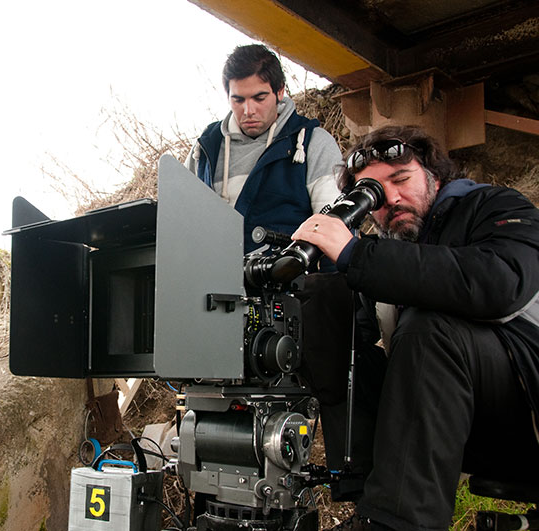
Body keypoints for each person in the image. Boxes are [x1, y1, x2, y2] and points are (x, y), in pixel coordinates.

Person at [290, 124, 539, 531]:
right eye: (374, 193)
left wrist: (358, 255)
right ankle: (370, 503)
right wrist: (304, 290)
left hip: (525, 414)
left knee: (430, 327)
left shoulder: (493, 205)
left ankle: (397, 523)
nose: (391, 198)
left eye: (401, 179)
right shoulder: (390, 248)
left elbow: (500, 283)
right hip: (447, 422)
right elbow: (353, 339)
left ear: (433, 175)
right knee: (329, 327)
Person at [185, 43, 343, 253]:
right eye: (238, 100)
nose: (248, 110)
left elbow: (335, 232)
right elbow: (180, 223)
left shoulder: (314, 143)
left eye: (259, 98)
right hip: (211, 271)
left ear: (280, 91)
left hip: (289, 273)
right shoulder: (204, 149)